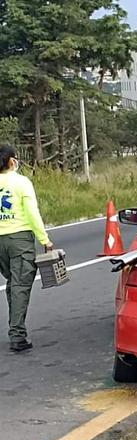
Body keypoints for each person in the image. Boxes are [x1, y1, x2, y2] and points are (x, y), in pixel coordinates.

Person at [0, 145, 53, 353]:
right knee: (21, 285)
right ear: (12, 161)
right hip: (19, 238)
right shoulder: (21, 182)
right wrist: (44, 239)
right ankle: (17, 336)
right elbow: (32, 213)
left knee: (14, 284)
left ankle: (15, 328)